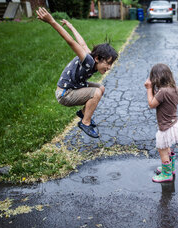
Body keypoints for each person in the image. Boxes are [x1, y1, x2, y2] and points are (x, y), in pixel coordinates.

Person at [36, 7, 118, 138]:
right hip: (64, 94)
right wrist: (52, 21)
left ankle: (82, 113)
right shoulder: (88, 61)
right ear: (97, 59)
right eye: (108, 63)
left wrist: (71, 26)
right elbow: (71, 42)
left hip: (74, 88)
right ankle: (85, 123)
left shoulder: (91, 58)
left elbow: (82, 42)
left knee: (101, 88)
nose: (109, 67)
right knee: (96, 93)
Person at [144, 63, 178, 183]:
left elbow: (151, 104)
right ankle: (171, 168)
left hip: (165, 127)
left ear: (156, 78)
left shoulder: (163, 92)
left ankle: (166, 174)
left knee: (162, 149)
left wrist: (149, 88)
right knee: (167, 147)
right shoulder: (174, 89)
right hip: (173, 124)